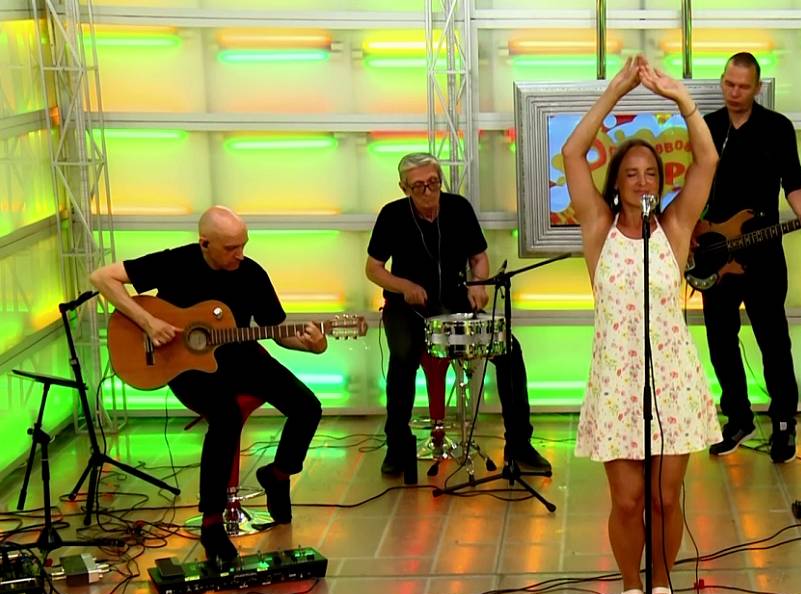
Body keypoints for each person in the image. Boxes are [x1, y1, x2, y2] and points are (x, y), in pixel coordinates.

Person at [561, 56, 721, 594]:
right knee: (627, 500)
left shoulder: (674, 227)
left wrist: (682, 99)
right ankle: (631, 583)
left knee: (665, 499)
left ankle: (661, 583)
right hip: (617, 382)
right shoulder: (598, 227)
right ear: (617, 182)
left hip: (671, 379)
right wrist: (615, 91)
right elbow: (572, 154)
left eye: (651, 173)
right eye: (631, 173)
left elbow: (707, 160)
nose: (642, 181)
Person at [89, 206, 325, 564]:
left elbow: (277, 331)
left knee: (307, 406)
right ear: (204, 243)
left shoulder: (251, 273)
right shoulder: (175, 262)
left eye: (243, 245)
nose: (239, 254)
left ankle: (277, 475)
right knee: (225, 416)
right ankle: (212, 523)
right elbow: (102, 277)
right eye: (231, 248)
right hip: (185, 364)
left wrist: (313, 345)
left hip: (241, 355)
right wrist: (148, 322)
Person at [366, 153, 550, 483]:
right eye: (418, 186)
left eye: (433, 183)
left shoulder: (459, 208)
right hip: (407, 307)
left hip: (454, 302)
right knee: (403, 357)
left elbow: (478, 257)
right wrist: (404, 286)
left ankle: (519, 443)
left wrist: (479, 284)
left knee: (509, 350)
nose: (428, 192)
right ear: (404, 188)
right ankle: (397, 445)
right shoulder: (391, 215)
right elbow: (373, 269)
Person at [700, 51, 801, 464]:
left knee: (773, 340)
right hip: (717, 254)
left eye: (743, 86)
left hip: (764, 254)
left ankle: (784, 422)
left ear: (757, 88)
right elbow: (692, 188)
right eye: (729, 84)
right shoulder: (708, 127)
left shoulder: (777, 128)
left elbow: (794, 183)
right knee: (720, 340)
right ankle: (738, 418)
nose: (735, 92)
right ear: (722, 81)